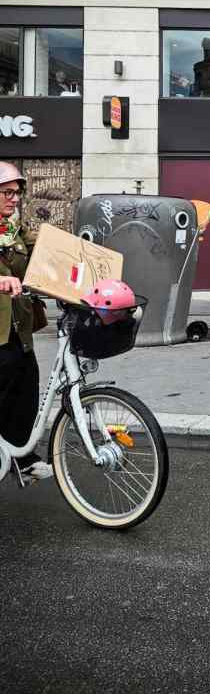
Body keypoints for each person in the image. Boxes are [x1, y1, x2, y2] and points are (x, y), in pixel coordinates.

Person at [0, 161, 52, 480]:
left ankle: (21, 456)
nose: (14, 198)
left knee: (25, 391)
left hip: (18, 328)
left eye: (17, 193)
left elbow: (46, 253)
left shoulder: (16, 231)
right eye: (7, 192)